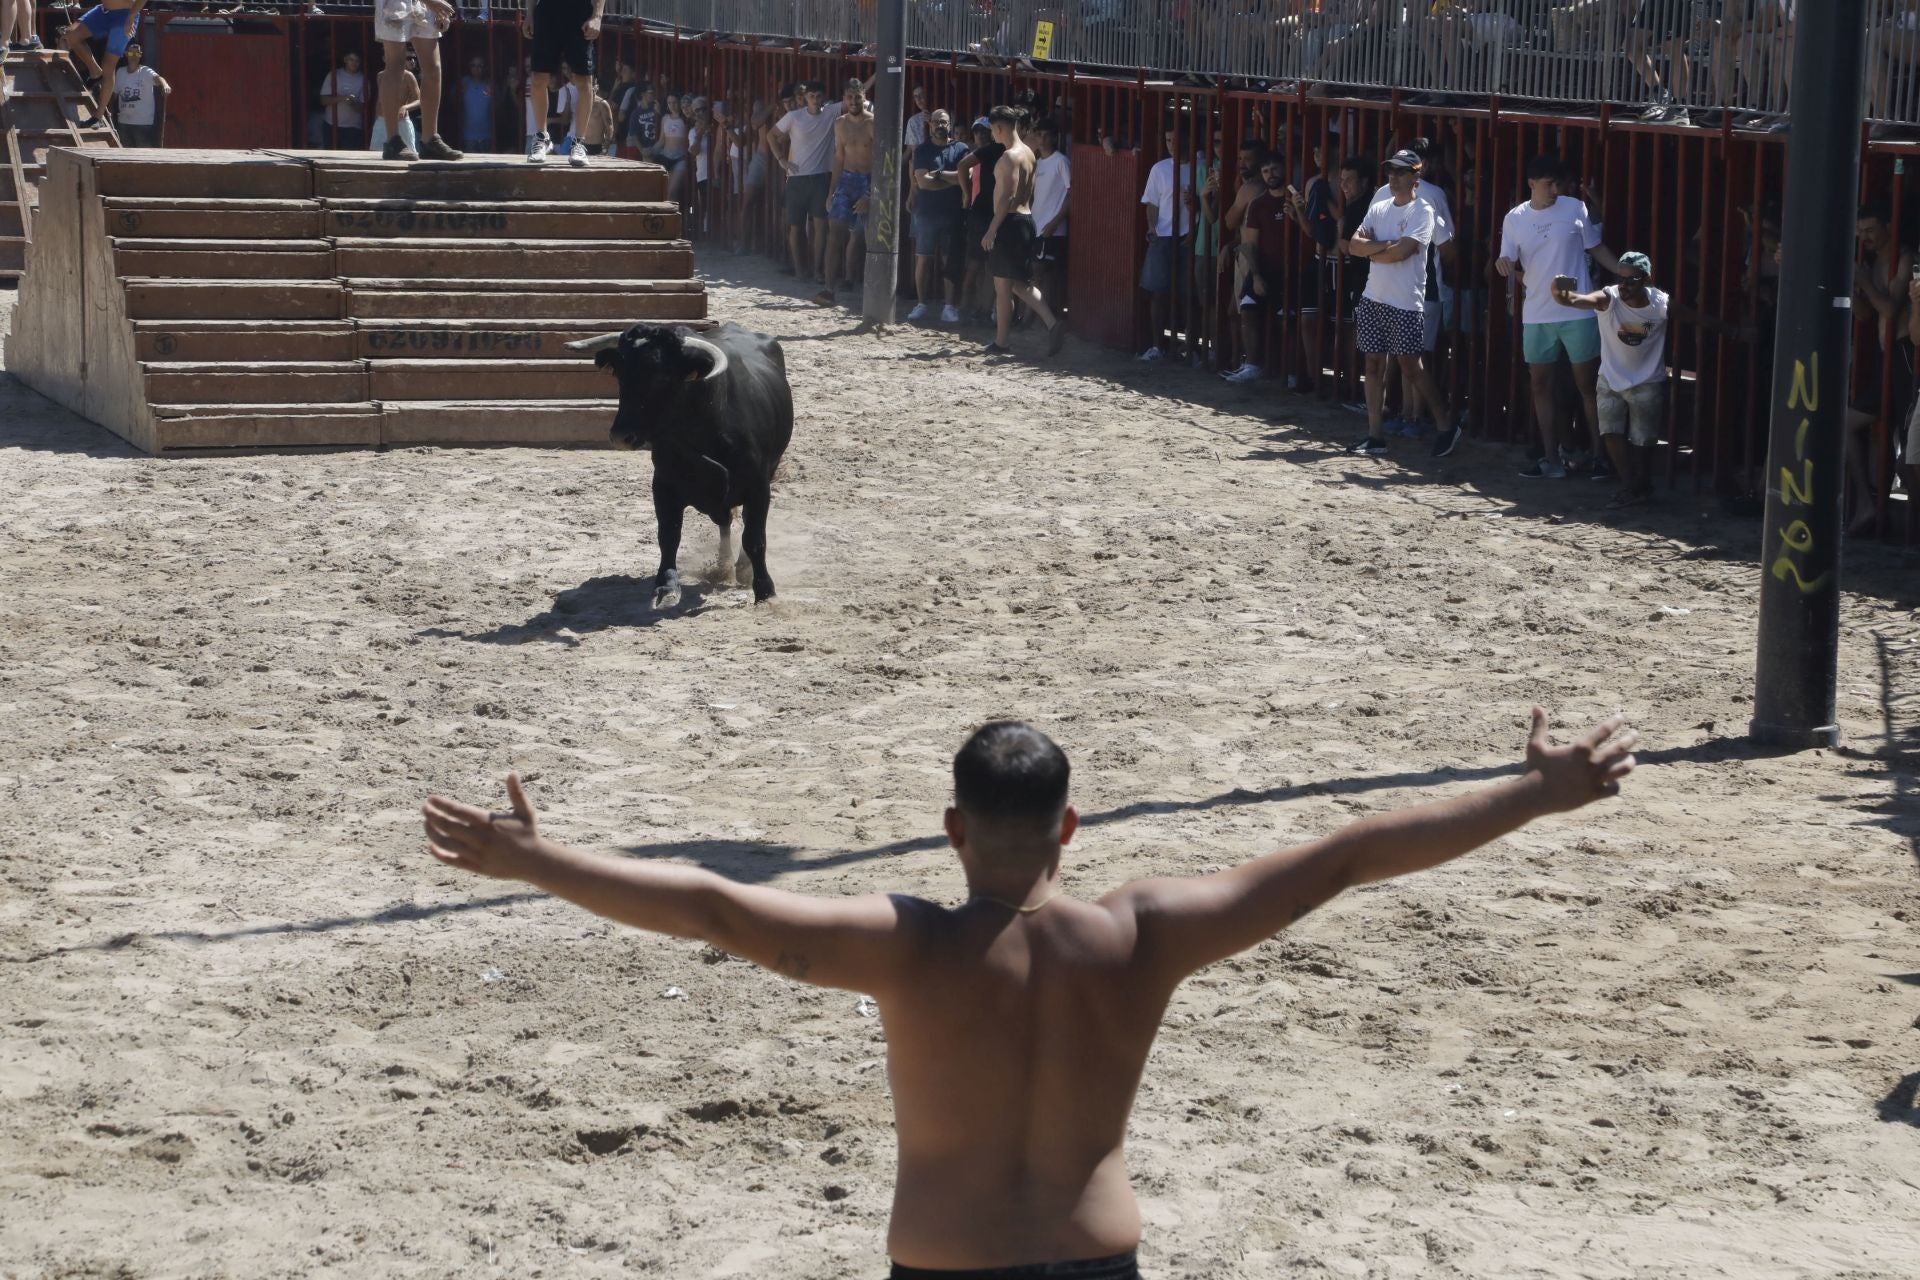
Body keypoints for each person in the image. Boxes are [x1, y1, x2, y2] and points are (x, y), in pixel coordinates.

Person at [421, 712, 1636, 1278]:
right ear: (1070, 822)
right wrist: (1537, 794)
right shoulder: (1142, 933)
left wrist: (536, 860)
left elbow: (714, 905)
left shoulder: (902, 946)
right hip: (1100, 1259)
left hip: (950, 1264)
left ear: (952, 827)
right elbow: (1348, 852)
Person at [1496, 154, 1624, 479]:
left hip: (1577, 311)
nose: (1554, 189)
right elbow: (1507, 257)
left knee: (1587, 385)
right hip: (1537, 312)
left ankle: (1598, 456)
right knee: (1541, 385)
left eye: (1557, 183)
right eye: (1548, 184)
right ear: (1531, 184)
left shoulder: (1574, 207)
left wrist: (1623, 270)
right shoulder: (1514, 218)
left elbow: (1596, 248)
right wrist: (1503, 264)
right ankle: (1551, 457)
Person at [1345, 150, 1461, 460]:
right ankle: (1375, 435)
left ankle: (1445, 425)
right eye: (1391, 172)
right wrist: (1385, 248)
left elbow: (1406, 250)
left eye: (1400, 172)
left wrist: (1374, 250)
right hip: (1374, 297)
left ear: (1416, 177)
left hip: (1407, 302)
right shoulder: (1380, 206)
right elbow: (1354, 245)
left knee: (1412, 367)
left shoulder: (1424, 210)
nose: (1393, 177)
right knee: (1372, 365)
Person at [1552, 251, 1669, 508]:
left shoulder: (1660, 304)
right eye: (1620, 279)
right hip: (1610, 378)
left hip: (1647, 381)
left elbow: (1696, 318)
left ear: (1647, 279)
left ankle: (1642, 484)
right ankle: (1630, 485)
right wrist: (1563, 291)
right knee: (1611, 433)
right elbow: (1577, 299)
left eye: (1631, 280)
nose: (1624, 286)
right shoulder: (1610, 298)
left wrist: (1736, 332)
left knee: (1643, 441)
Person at [1845, 200, 1914, 536]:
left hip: (1906, 358)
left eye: (1871, 230)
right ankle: (1867, 504)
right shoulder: (1872, 262)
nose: (1865, 237)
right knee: (1847, 424)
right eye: (1860, 232)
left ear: (1889, 225)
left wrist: (1866, 283)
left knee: (1910, 456)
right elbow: (1865, 314)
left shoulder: (1905, 258)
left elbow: (1889, 307)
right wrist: (1854, 290)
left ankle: (1911, 530)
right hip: (1884, 360)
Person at [980, 105, 1066, 357]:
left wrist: (992, 229)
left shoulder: (1009, 157)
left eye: (993, 131)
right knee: (1019, 283)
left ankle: (1002, 341)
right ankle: (1052, 323)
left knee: (1003, 287)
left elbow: (1006, 196)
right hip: (1026, 220)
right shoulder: (1029, 153)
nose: (992, 136)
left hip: (1009, 222)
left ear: (999, 128)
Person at [771, 81, 845, 286]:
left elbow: (856, 94)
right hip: (796, 178)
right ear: (805, 98)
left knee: (820, 225)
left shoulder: (830, 112)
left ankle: (817, 269)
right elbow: (771, 135)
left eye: (818, 96)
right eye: (811, 96)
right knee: (795, 226)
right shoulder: (794, 116)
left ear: (823, 97)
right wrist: (781, 159)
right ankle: (799, 269)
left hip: (821, 176)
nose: (815, 100)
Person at [1224, 151, 1287, 384]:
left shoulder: (1294, 199)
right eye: (1266, 171)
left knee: (1287, 320)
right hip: (1264, 269)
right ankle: (1252, 365)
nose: (1271, 175)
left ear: (1284, 168)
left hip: (1292, 271)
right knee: (1247, 309)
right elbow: (1249, 244)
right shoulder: (1259, 204)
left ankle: (1287, 372)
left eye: (1274, 169)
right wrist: (1257, 276)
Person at [373, 0, 461, 162]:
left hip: (426, 5)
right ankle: (392, 141)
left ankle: (430, 139)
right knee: (395, 65)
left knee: (433, 68)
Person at [1137, 123, 1193, 361]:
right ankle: (1157, 346)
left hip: (1190, 237)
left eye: (1175, 139)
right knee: (1158, 292)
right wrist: (1152, 227)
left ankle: (1189, 347)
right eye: (1168, 140)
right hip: (1163, 235)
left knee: (1189, 294)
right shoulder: (1159, 168)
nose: (1172, 145)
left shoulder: (1200, 165)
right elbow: (1152, 203)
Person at [909, 108, 970, 325]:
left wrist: (938, 175)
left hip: (953, 214)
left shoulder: (961, 148)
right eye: (936, 122)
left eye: (943, 122)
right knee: (923, 259)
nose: (939, 126)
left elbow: (966, 177)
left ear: (949, 124)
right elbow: (922, 182)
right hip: (926, 213)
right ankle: (921, 303)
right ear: (930, 125)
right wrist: (951, 180)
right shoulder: (923, 150)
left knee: (950, 261)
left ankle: (949, 306)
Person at [522, 0, 600, 165]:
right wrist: (529, 14)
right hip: (547, 10)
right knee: (538, 78)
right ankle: (542, 138)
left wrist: (597, 16)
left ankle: (578, 143)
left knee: (584, 79)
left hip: (580, 13)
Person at [819, 79, 874, 305]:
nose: (853, 101)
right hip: (847, 180)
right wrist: (831, 192)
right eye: (849, 97)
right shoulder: (840, 123)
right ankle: (828, 289)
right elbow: (839, 157)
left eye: (857, 97)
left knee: (867, 237)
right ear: (844, 98)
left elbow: (882, 161)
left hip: (868, 180)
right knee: (835, 233)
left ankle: (869, 292)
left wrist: (871, 194)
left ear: (864, 97)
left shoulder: (873, 123)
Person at [1030, 121, 1071, 322]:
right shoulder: (1037, 162)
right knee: (1036, 272)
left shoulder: (1061, 161)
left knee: (1047, 274)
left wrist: (1055, 222)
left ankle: (1044, 318)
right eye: (1039, 135)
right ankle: (1039, 317)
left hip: (1053, 230)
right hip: (1038, 226)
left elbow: (1072, 194)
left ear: (1055, 137)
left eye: (1047, 135)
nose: (1043, 139)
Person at [62, 0, 143, 99]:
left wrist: (131, 16)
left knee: (108, 66)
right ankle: (95, 71)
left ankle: (99, 113)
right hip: (103, 11)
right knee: (71, 35)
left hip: (125, 14)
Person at [109, 40, 168, 147]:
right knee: (126, 155)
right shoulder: (120, 72)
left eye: (137, 53)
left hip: (143, 123)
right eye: (131, 53)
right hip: (124, 122)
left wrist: (165, 85)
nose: (134, 56)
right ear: (126, 54)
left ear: (140, 55)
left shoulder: (145, 71)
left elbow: (158, 78)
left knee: (144, 155)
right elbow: (114, 94)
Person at [368, 50, 421, 158]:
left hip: (401, 121)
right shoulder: (381, 75)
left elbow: (419, 100)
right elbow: (380, 100)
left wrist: (405, 107)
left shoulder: (408, 75)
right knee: (375, 155)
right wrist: (376, 121)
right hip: (382, 121)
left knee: (409, 155)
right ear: (384, 58)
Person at [318, 51, 368, 152]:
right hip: (331, 124)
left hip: (353, 127)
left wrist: (352, 103)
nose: (354, 63)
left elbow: (363, 108)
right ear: (345, 60)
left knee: (349, 158)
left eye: (357, 61)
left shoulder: (363, 80)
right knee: (329, 157)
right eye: (351, 59)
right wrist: (343, 98)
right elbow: (323, 100)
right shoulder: (334, 75)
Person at [458, 54, 493, 154]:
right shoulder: (464, 83)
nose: (476, 68)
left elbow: (499, 106)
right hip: (469, 135)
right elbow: (452, 103)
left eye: (479, 65)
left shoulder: (489, 84)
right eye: (473, 65)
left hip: (487, 134)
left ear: (484, 67)